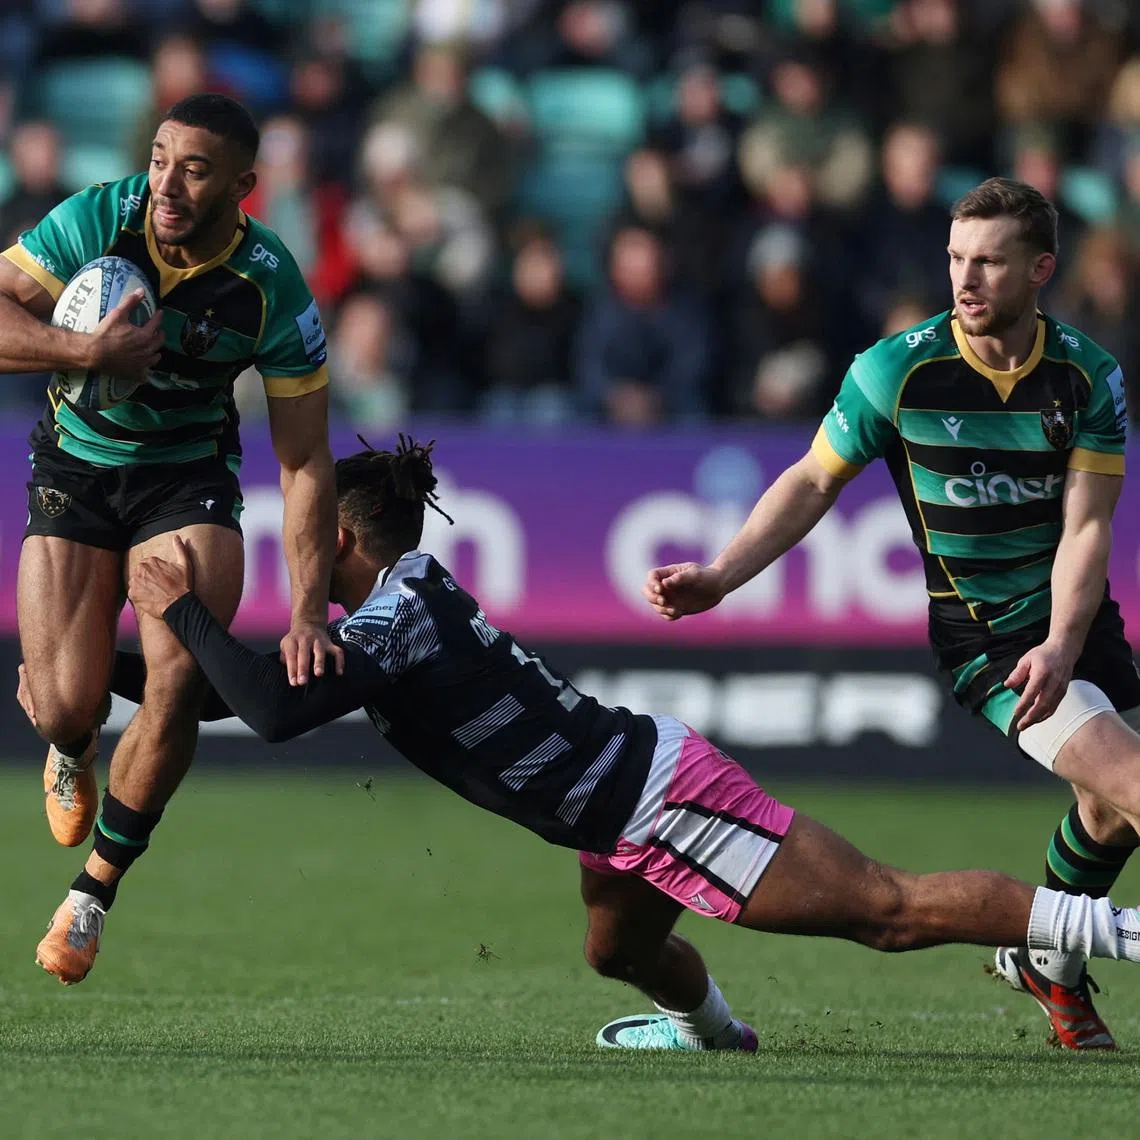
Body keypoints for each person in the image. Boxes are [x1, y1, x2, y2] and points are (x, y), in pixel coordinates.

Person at [39, 435, 1140, 1051]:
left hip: (658, 804)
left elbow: (274, 712)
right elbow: (261, 691)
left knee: (889, 914)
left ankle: (1116, 932)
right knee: (617, 954)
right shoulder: (400, 604)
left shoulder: (395, 618)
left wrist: (180, 612)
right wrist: (108, 683)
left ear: (337, 539)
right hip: (616, 810)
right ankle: (716, 1035)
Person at [644, 177, 1140, 1051]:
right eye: (956, 258)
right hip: (986, 639)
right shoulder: (895, 370)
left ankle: (1043, 961)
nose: (966, 278)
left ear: (1041, 270)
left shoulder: (1088, 376)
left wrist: (1067, 641)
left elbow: (1088, 529)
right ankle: (1046, 958)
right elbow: (809, 480)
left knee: (1107, 813)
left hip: (1073, 621)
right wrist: (723, 575)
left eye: (988, 261)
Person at [0, 92, 339, 984]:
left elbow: (305, 462)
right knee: (71, 704)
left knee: (176, 679)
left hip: (185, 481)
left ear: (243, 186)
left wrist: (308, 609)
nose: (167, 184)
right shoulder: (96, 218)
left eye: (194, 168)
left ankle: (90, 898)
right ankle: (72, 743)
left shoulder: (271, 284)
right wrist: (83, 356)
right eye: (159, 159)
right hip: (75, 468)